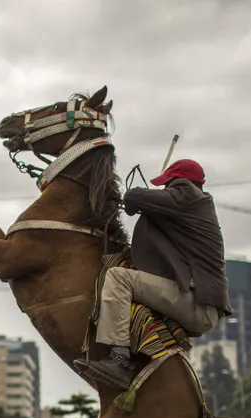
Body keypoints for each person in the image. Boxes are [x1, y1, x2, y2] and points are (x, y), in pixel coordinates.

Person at [77, 159, 233, 388]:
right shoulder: (188, 207)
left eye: (167, 184)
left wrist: (141, 198)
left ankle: (119, 360)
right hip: (201, 303)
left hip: (199, 305)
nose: (166, 189)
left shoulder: (188, 195)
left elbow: (134, 197)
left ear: (178, 182)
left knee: (119, 278)